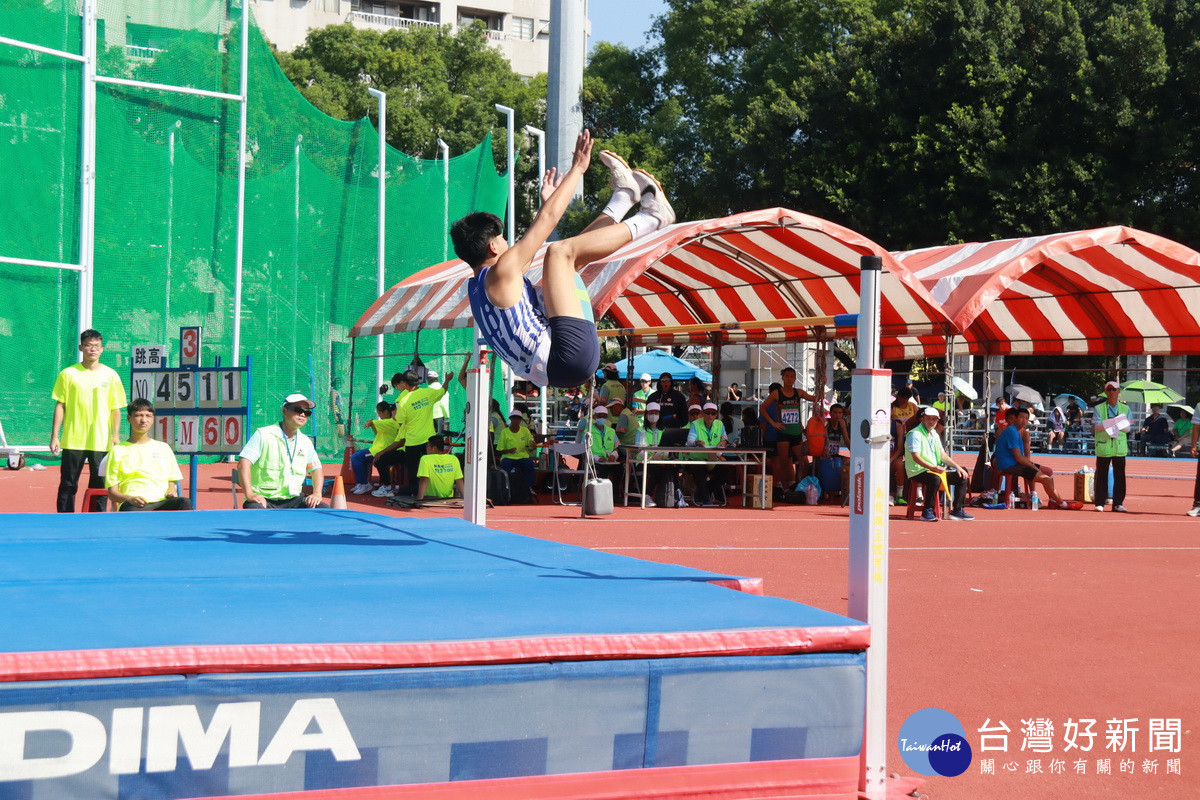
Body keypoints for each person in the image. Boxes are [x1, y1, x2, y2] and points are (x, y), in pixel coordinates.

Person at [453, 131, 674, 389]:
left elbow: (535, 241)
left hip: (560, 368)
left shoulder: (480, 287)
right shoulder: (501, 272)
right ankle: (653, 218)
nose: (507, 243)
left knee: (567, 265)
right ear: (492, 247)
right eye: (502, 239)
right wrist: (578, 168)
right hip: (566, 356)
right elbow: (547, 222)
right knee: (559, 252)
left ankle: (623, 198)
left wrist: (547, 201)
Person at [50, 329, 128, 512]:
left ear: (102, 349)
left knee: (100, 484)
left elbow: (115, 408)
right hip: (73, 440)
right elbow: (60, 406)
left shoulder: (111, 375)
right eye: (88, 345)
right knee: (68, 484)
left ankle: (96, 518)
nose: (92, 349)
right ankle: (65, 517)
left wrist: (115, 435)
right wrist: (55, 436)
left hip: (101, 441)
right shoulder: (68, 374)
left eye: (96, 346)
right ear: (81, 347)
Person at [389, 357, 469, 497]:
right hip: (428, 441)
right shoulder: (428, 393)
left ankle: (416, 493)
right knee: (431, 467)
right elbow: (443, 391)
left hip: (413, 441)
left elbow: (400, 421)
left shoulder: (403, 401)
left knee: (414, 470)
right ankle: (432, 491)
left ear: (405, 384)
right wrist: (447, 380)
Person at [238, 393, 328, 509]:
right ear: (285, 411)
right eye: (297, 410)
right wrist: (250, 494)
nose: (302, 414)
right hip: (264, 499)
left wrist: (317, 493)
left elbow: (316, 469)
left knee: (323, 510)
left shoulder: (305, 441)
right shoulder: (263, 434)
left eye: (307, 412)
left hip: (295, 499)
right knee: (257, 515)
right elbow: (243, 464)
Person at [102, 399, 191, 511]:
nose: (144, 420)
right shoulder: (117, 450)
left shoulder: (163, 448)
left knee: (185, 503)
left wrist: (171, 490)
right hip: (134, 505)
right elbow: (112, 494)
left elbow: (172, 481)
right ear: (129, 418)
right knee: (132, 511)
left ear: (153, 419)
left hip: (162, 502)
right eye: (139, 415)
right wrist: (129, 498)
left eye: (148, 416)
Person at [903, 407, 973, 521]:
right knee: (934, 479)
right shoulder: (915, 434)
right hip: (917, 471)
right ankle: (927, 511)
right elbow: (916, 457)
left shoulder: (934, 433)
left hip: (933, 469)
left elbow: (942, 455)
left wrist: (958, 467)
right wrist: (933, 468)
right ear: (922, 419)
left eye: (934, 419)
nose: (931, 421)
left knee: (962, 476)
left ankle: (957, 510)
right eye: (928, 419)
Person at [994, 407, 1069, 508]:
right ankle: (1062, 504)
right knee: (1045, 479)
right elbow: (1019, 457)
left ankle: (1053, 500)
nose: (1024, 420)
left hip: (1015, 462)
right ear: (1015, 418)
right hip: (1009, 464)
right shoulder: (1011, 432)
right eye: (1021, 417)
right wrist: (1033, 467)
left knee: (1048, 471)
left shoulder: (1020, 432)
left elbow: (1025, 456)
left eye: (1026, 418)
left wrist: (1032, 466)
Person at [1092, 380, 1130, 512]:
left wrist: (1118, 424)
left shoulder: (1125, 409)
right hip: (1104, 447)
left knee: (1120, 476)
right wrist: (1112, 422)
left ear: (1119, 391)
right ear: (1105, 392)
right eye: (1109, 390)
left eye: (1114, 389)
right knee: (1101, 475)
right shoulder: (1099, 408)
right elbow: (1096, 427)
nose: (1111, 392)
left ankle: (1118, 503)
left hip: (1119, 447)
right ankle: (1100, 502)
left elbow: (1128, 429)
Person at [685, 401, 731, 505]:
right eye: (707, 413)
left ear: (716, 414)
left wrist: (723, 443)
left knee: (726, 472)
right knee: (700, 473)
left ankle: (702, 492)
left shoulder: (720, 424)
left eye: (713, 413)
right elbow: (690, 441)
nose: (710, 415)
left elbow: (725, 439)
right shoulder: (695, 424)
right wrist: (697, 442)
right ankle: (706, 498)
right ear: (703, 414)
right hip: (696, 459)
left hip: (713, 459)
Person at [350, 401, 398, 494]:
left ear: (386, 412)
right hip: (377, 449)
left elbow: (371, 422)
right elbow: (377, 432)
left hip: (380, 450)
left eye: (380, 413)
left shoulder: (391, 422)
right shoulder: (385, 423)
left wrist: (371, 423)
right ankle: (362, 483)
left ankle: (363, 484)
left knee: (356, 457)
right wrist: (372, 425)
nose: (379, 415)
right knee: (359, 458)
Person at [495, 410, 537, 492]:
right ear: (510, 419)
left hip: (523, 457)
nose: (515, 421)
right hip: (508, 457)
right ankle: (508, 487)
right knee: (505, 463)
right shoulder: (505, 432)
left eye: (517, 419)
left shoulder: (525, 431)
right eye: (513, 419)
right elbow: (499, 450)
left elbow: (530, 445)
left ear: (520, 420)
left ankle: (528, 487)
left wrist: (533, 446)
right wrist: (509, 451)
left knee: (529, 463)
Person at [415, 435, 464, 501]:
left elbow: (424, 480)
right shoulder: (453, 459)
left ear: (434, 448)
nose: (426, 448)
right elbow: (459, 481)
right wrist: (465, 499)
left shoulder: (425, 459)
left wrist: (419, 500)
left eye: (427, 446)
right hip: (448, 501)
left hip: (430, 500)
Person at [580, 405, 621, 482]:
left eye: (604, 416)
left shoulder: (611, 431)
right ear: (594, 416)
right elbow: (584, 450)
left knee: (620, 469)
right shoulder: (588, 432)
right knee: (603, 471)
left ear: (607, 417)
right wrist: (597, 458)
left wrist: (613, 455)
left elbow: (617, 447)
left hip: (609, 460)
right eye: (599, 416)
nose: (602, 418)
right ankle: (602, 493)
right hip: (593, 462)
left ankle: (614, 493)